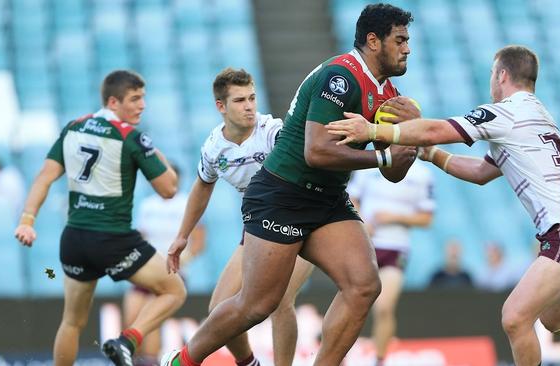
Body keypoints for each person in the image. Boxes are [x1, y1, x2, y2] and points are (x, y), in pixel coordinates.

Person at [161, 4, 417, 366]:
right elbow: (316, 152)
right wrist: (385, 157)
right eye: (401, 40)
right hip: (283, 193)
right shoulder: (340, 76)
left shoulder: (388, 94)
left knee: (363, 286)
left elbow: (394, 172)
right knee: (257, 305)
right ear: (373, 41)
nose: (407, 48)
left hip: (326, 199)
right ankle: (182, 359)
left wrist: (409, 139)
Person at [325, 45, 560, 365]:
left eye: (492, 73)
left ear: (502, 75)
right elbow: (480, 172)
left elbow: (437, 129)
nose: (491, 80)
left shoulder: (506, 113)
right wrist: (430, 154)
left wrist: (374, 129)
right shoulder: (533, 114)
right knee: (558, 320)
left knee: (515, 318)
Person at [14, 70, 187, 366]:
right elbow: (169, 189)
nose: (142, 105)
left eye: (143, 97)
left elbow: (44, 177)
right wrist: (149, 145)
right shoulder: (130, 137)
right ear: (113, 101)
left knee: (71, 322)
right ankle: (126, 341)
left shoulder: (74, 128)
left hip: (75, 238)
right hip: (113, 239)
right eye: (134, 99)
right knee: (174, 290)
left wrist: (27, 220)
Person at [167, 67, 314, 366]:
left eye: (252, 98)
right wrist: (183, 235)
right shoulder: (214, 148)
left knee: (279, 299)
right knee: (220, 308)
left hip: (302, 221)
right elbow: (202, 186)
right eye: (239, 100)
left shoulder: (272, 132)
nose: (249, 106)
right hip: (260, 229)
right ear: (221, 106)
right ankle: (249, 363)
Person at [347, 163, 434, 366]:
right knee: (351, 304)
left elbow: (427, 218)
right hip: (364, 244)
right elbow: (351, 198)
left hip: (396, 247)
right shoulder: (367, 165)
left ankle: (379, 360)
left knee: (384, 307)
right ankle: (340, 356)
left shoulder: (422, 173)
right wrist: (361, 222)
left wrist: (394, 217)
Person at [125, 164, 206, 366]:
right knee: (131, 315)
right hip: (148, 268)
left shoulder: (186, 203)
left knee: (150, 321)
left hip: (171, 271)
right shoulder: (147, 205)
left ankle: (150, 362)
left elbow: (199, 241)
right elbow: (141, 237)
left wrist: (182, 260)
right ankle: (132, 360)